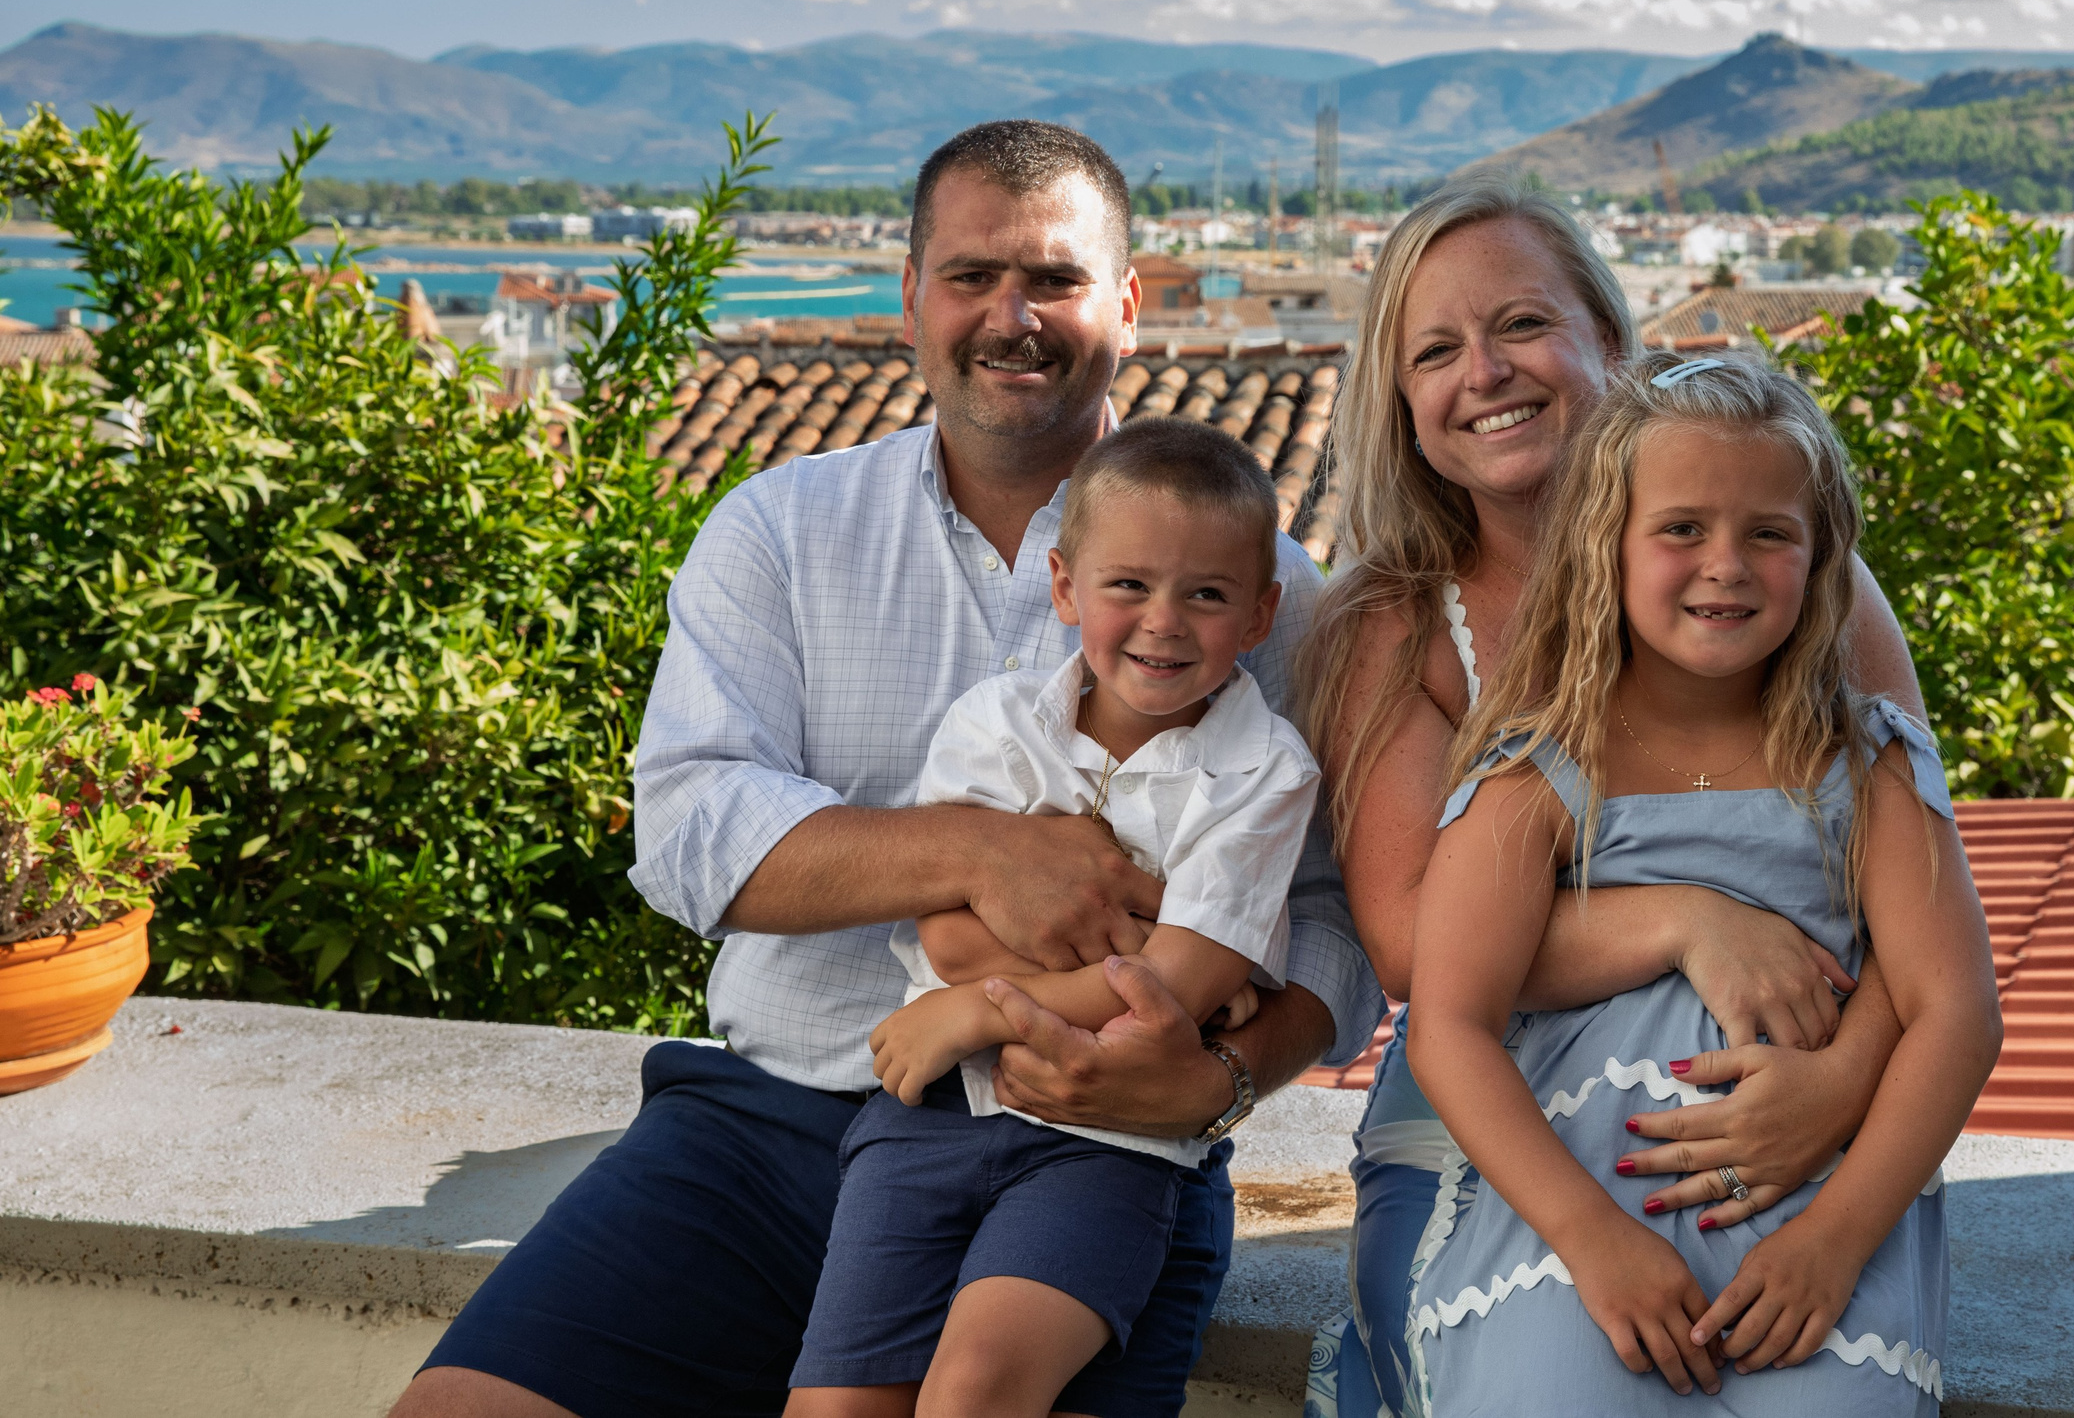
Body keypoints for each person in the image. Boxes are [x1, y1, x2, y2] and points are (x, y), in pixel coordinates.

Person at [395, 122, 1382, 1418]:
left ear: (1129, 305)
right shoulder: (780, 530)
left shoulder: (1266, 592)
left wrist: (1226, 1078)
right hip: (765, 1129)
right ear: (910, 296)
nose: (1011, 316)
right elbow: (688, 826)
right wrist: (976, 848)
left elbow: (1333, 910)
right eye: (971, 276)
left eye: (1055, 279)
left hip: (1092, 1139)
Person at [1296, 178, 1933, 1418]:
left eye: (1521, 326)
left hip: (1784, 1131)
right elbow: (1415, 948)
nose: (1483, 371)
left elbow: (1912, 908)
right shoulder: (1390, 624)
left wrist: (1848, 1084)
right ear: (1402, 406)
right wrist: (1686, 916)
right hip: (1502, 1135)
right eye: (1434, 350)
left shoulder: (1804, 591)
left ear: (1610, 340)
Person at [1402, 352, 2002, 1413]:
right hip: (1573, 1219)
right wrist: (1591, 1242)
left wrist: (1835, 1240)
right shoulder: (1535, 769)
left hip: (1818, 1216)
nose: (1725, 564)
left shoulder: (1869, 765)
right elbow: (1449, 1020)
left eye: (1768, 532)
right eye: (1681, 528)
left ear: (1819, 561)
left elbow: (1955, 1013)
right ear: (1607, 546)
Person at [787, 418, 1319, 1417]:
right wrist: (1165, 966)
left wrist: (980, 1013)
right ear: (1066, 587)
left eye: (1205, 594)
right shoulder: (994, 723)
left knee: (979, 1392)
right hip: (929, 1125)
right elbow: (948, 937)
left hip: (1112, 1140)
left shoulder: (1265, 770)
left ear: (1258, 616)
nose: (1162, 621)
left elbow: (1175, 991)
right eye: (1129, 586)